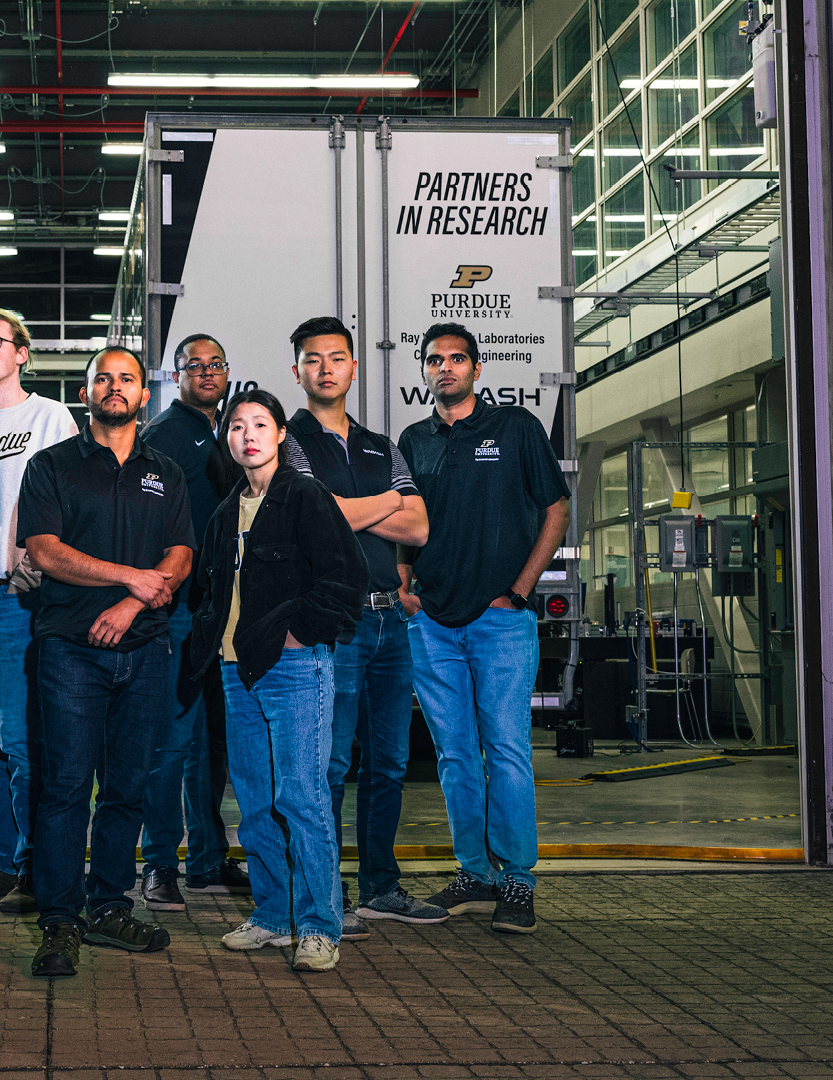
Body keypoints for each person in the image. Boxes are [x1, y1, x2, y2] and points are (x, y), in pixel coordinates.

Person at [15, 346, 194, 979]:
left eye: (127, 380)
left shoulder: (166, 471)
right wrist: (132, 580)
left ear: (145, 396)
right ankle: (59, 921)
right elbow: (45, 552)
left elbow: (181, 554)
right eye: (103, 379)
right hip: (68, 650)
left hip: (145, 650)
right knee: (64, 787)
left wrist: (127, 604)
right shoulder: (52, 466)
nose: (114, 388)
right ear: (86, 390)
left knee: (126, 787)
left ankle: (109, 907)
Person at [396, 321, 570, 936]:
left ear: (477, 368)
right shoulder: (412, 440)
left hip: (500, 623)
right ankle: (475, 872)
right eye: (434, 360)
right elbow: (400, 518)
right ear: (422, 371)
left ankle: (518, 881)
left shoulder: (516, 429)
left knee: (506, 749)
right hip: (432, 625)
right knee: (454, 755)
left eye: (457, 359)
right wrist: (403, 586)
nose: (445, 368)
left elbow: (556, 508)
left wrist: (519, 592)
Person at [189, 389, 365, 973]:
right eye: (237, 427)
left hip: (293, 668)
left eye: (260, 424)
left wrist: (298, 633)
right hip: (236, 672)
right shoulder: (224, 513)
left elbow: (345, 576)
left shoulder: (305, 496)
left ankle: (319, 925)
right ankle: (273, 914)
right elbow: (211, 595)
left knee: (303, 796)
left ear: (281, 433)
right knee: (258, 801)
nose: (248, 435)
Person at [279, 316, 437, 939]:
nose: (325, 368)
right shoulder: (285, 440)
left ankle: (381, 887)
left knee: (390, 765)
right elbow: (317, 518)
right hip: (333, 624)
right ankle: (327, 890)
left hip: (389, 622)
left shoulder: (380, 445)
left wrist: (356, 512)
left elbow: (420, 528)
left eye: (336, 358)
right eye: (312, 359)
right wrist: (388, 506)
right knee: (329, 765)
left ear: (352, 367)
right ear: (297, 371)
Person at [0, 308, 77, 915]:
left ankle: (37, 863)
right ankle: (8, 857)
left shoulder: (50, 416)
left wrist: (39, 553)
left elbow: (66, 496)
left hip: (18, 599)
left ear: (22, 353)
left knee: (23, 740)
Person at [137, 334, 249, 911]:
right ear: (174, 376)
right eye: (194, 366)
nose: (206, 373)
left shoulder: (237, 430)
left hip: (227, 612)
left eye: (216, 364)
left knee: (216, 745)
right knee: (172, 742)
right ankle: (160, 864)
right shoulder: (161, 436)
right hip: (178, 612)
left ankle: (208, 860)